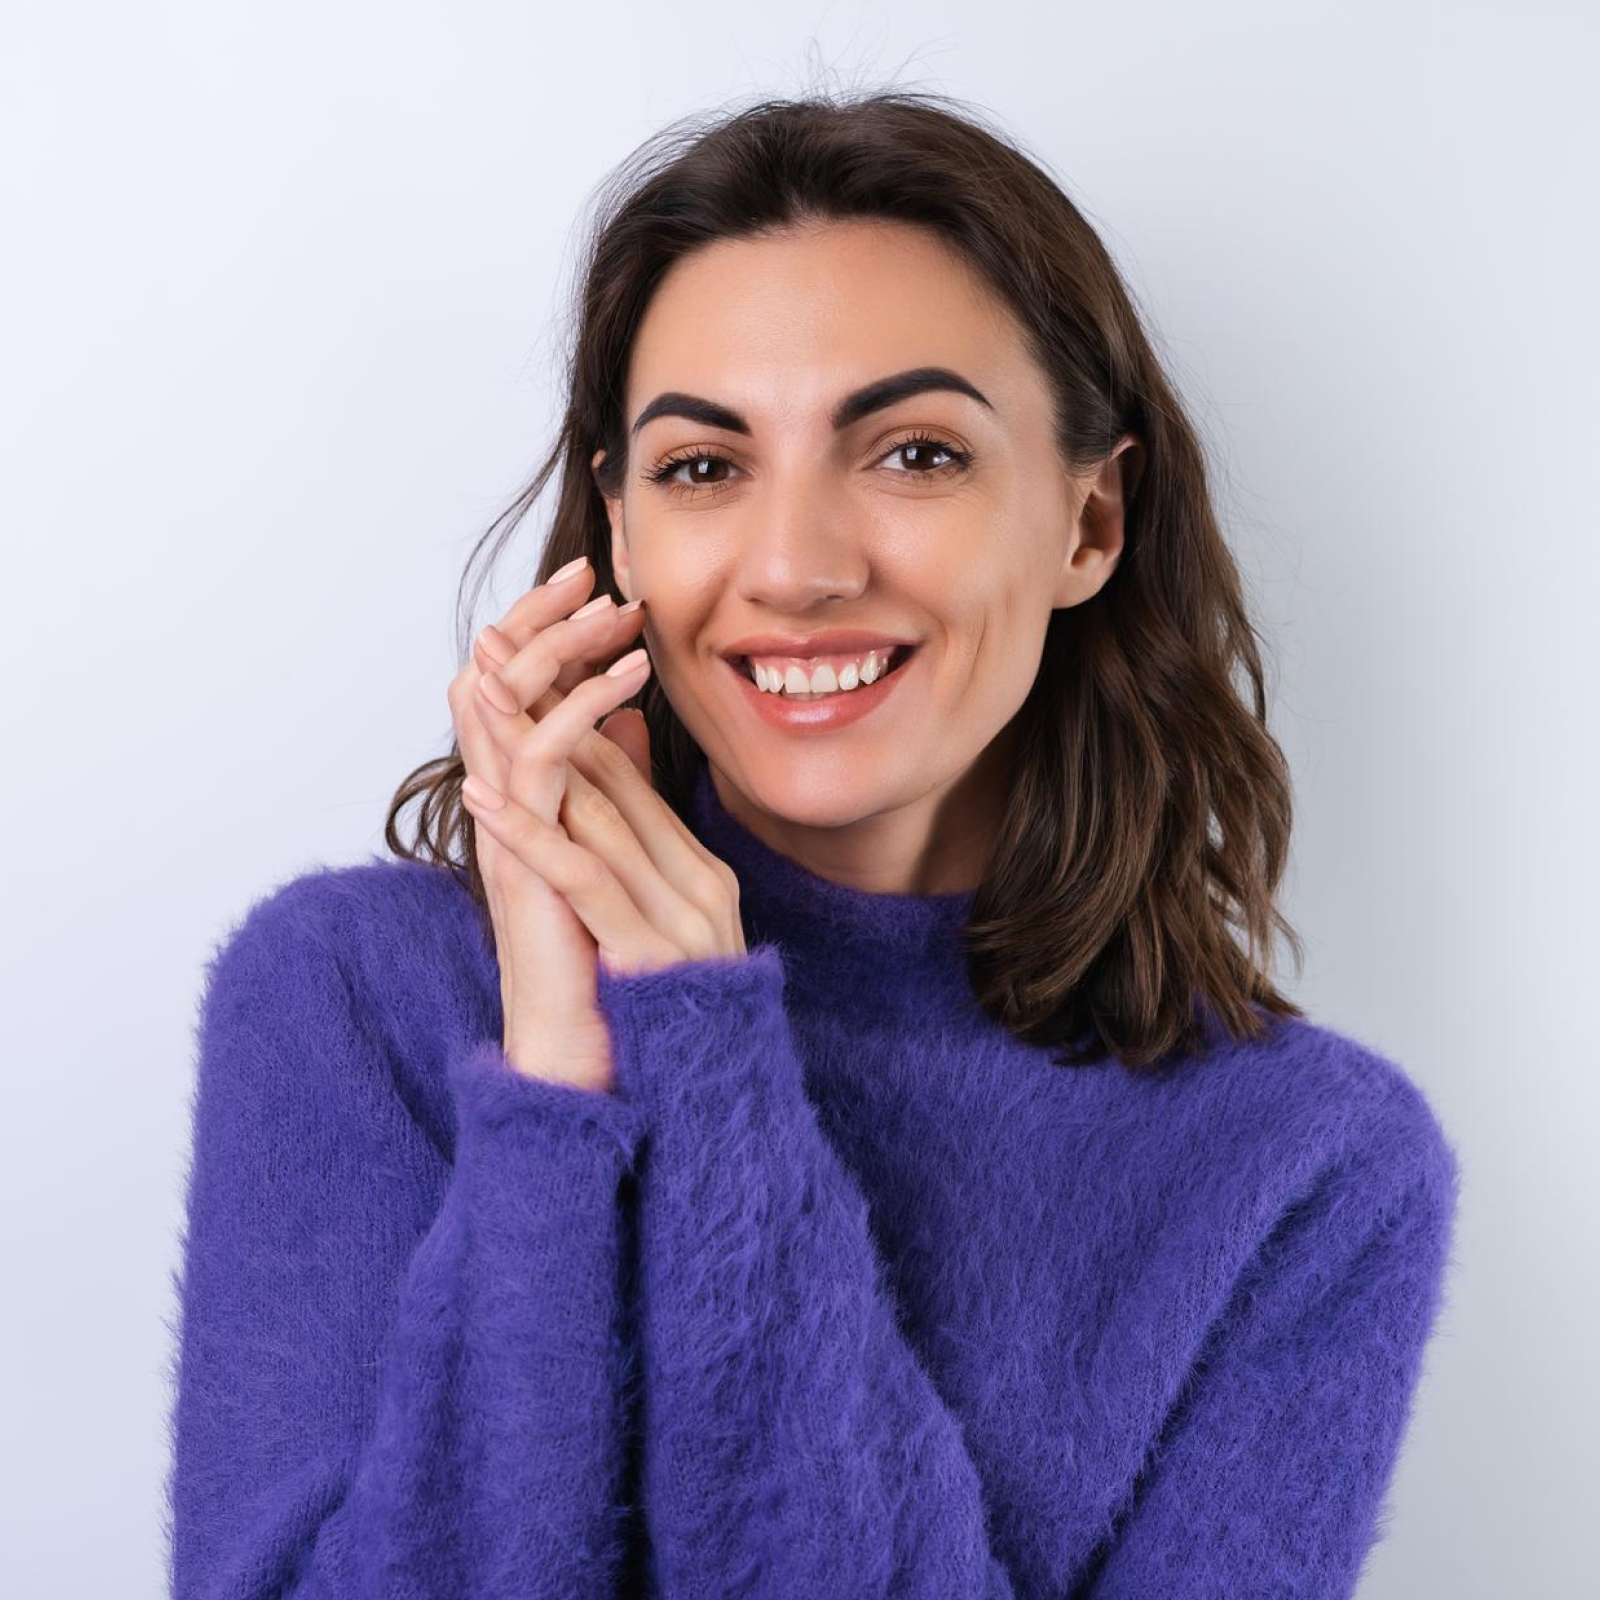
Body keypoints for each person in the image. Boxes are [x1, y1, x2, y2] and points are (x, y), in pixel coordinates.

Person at [164, 91, 1461, 1599]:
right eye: (704, 468)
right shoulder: (354, 995)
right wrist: (553, 1096)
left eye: (914, 454)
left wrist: (709, 1062)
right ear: (623, 534)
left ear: (1089, 523)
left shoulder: (1309, 1171)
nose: (794, 568)